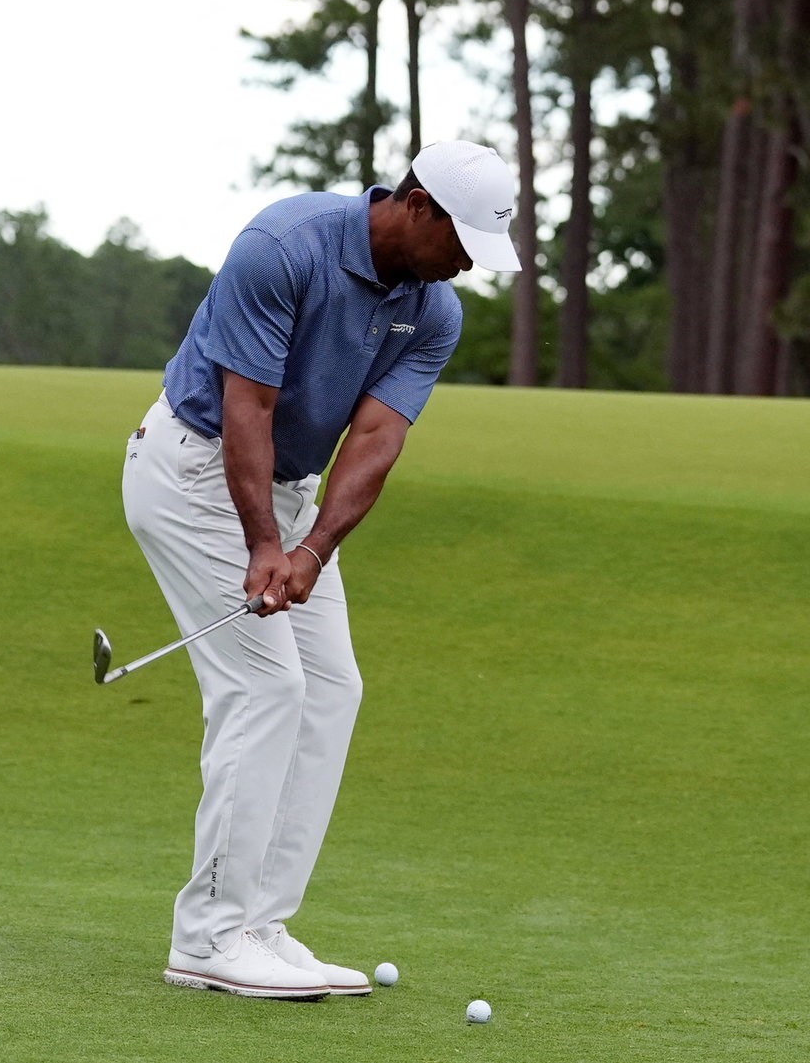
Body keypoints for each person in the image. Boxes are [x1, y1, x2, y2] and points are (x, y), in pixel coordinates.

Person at [121, 141, 519, 1000]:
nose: (465, 266)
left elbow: (376, 439)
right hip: (194, 469)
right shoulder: (285, 244)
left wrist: (309, 548)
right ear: (416, 204)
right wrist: (265, 540)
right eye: (461, 240)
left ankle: (259, 921)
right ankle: (209, 936)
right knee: (265, 690)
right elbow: (246, 407)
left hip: (290, 493)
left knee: (332, 689)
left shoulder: (435, 309)